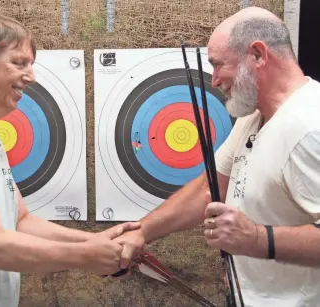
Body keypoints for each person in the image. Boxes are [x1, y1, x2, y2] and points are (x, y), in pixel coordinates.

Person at [0, 14, 140, 307]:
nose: (31, 76)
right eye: (19, 63)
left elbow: (19, 222)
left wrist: (94, 241)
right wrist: (85, 257)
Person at [115, 6, 320, 307]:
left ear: (258, 55)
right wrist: (142, 231)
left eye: (219, 65)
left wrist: (256, 239)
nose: (214, 81)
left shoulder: (309, 126)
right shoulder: (255, 118)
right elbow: (209, 189)